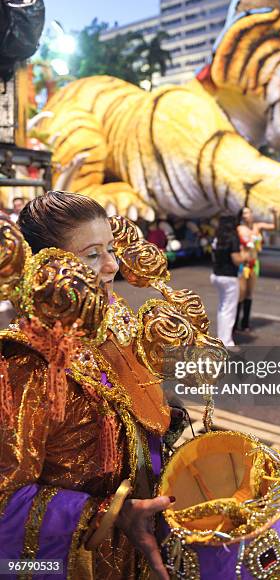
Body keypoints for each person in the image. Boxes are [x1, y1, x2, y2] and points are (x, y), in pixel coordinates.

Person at [0, 191, 180, 579]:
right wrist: (108, 517)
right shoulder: (27, 363)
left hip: (139, 552)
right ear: (48, 268)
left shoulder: (115, 319)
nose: (112, 266)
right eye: (92, 255)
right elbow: (6, 500)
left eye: (111, 249)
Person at [235, 206, 277, 332]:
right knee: (241, 294)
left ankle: (245, 323)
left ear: (252, 214)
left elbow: (274, 227)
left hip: (254, 263)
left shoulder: (257, 227)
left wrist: (275, 214)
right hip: (244, 263)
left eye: (248, 212)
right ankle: (234, 323)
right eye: (244, 213)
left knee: (249, 293)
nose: (246, 215)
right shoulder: (239, 228)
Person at [210, 215, 248, 346]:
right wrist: (245, 257)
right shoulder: (233, 238)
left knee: (222, 308)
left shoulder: (217, 238)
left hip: (217, 275)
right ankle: (226, 341)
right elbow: (236, 259)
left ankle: (222, 337)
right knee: (229, 310)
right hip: (229, 278)